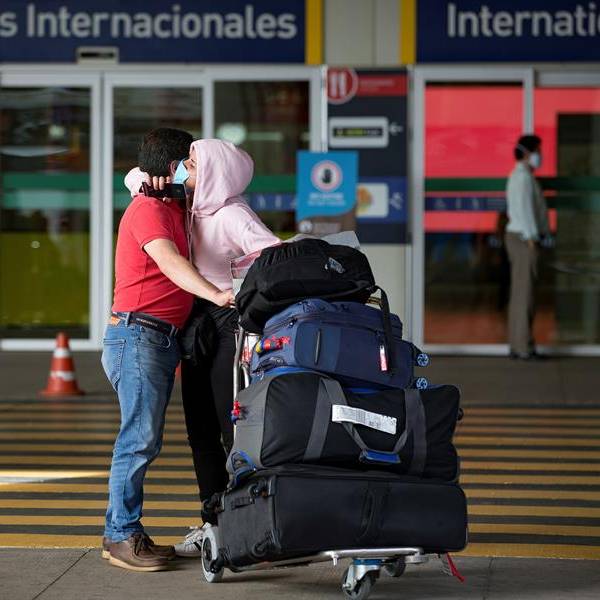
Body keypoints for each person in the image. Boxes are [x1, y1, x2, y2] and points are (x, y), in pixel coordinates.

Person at [125, 138, 279, 558]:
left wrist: (237, 290)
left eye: (191, 164)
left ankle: (248, 523)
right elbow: (133, 177)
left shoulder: (232, 214)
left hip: (229, 324)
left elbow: (273, 257)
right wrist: (153, 181)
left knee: (233, 430)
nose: (182, 169)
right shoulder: (187, 206)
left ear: (215, 174)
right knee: (200, 432)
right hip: (198, 326)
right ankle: (213, 522)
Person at [102, 129, 234, 572]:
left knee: (143, 438)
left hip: (157, 338)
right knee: (138, 440)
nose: (196, 171)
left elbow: (137, 176)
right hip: (138, 335)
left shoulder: (170, 203)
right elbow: (170, 262)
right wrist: (216, 295)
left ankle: (125, 531)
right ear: (173, 168)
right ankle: (121, 536)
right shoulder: (148, 209)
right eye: (190, 163)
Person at [505, 134, 549, 360]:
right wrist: (532, 238)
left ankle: (518, 344)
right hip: (524, 239)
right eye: (538, 151)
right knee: (525, 295)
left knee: (520, 293)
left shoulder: (521, 176)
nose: (540, 155)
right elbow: (525, 211)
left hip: (520, 237)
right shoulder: (522, 178)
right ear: (527, 153)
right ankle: (523, 347)